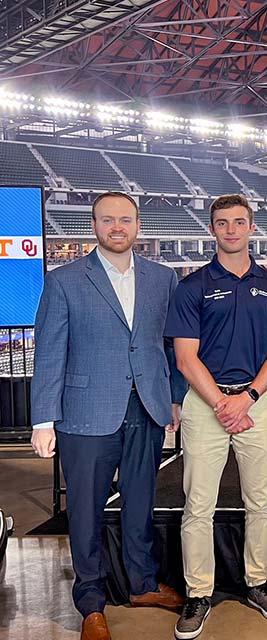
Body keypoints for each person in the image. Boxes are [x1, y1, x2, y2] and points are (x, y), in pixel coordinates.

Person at [30, 192, 185, 640]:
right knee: (85, 512)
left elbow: (172, 347)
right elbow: (49, 353)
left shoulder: (163, 278)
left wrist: (173, 396)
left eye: (126, 220)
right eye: (107, 220)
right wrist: (44, 419)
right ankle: (91, 602)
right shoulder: (64, 281)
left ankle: (141, 584)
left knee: (140, 504)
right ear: (94, 225)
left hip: (148, 409)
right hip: (85, 414)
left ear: (138, 225)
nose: (117, 227)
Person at [165, 194, 267, 640]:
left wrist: (249, 396)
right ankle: (199, 592)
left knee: (261, 500)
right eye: (222, 223)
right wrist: (222, 401)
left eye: (239, 222)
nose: (231, 230)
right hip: (206, 402)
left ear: (252, 227)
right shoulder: (192, 286)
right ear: (212, 229)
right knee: (198, 505)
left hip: (257, 400)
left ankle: (259, 582)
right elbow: (185, 357)